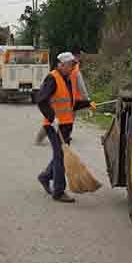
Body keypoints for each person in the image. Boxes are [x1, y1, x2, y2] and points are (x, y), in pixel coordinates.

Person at [36, 52, 92, 203]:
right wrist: (51, 117)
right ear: (61, 64)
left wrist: (87, 104)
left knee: (60, 154)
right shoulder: (52, 78)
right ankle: (59, 191)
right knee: (61, 156)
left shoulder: (67, 79)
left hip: (66, 125)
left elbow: (70, 103)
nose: (73, 67)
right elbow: (41, 100)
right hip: (54, 126)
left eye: (74, 65)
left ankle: (45, 176)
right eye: (70, 65)